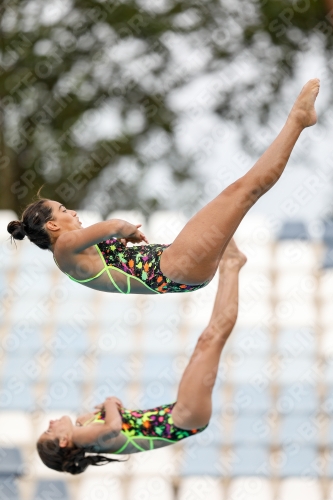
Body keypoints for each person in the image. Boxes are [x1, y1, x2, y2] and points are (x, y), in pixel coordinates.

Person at [8, 80, 319, 295]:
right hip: (176, 265)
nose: (72, 211)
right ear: (51, 224)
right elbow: (114, 225)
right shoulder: (63, 246)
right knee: (243, 191)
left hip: (180, 269)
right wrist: (126, 229)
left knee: (239, 193)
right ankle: (297, 121)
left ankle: (231, 260)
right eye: (63, 210)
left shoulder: (69, 257)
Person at [37, 239, 246, 474]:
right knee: (211, 340)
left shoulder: (84, 428)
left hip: (181, 415)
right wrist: (108, 403)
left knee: (208, 341)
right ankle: (231, 265)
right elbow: (114, 427)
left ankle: (230, 265)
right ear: (64, 441)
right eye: (49, 431)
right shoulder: (84, 438)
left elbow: (117, 425)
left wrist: (107, 408)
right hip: (181, 418)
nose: (50, 423)